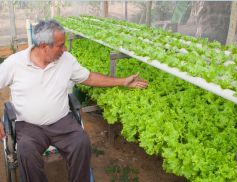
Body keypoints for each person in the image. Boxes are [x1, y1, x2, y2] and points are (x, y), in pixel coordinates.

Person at [0, 19, 148, 182]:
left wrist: (123, 81)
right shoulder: (14, 63)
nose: (65, 49)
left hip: (62, 122)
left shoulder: (67, 60)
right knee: (26, 151)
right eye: (60, 45)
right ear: (43, 46)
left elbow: (89, 77)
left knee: (81, 143)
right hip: (29, 125)